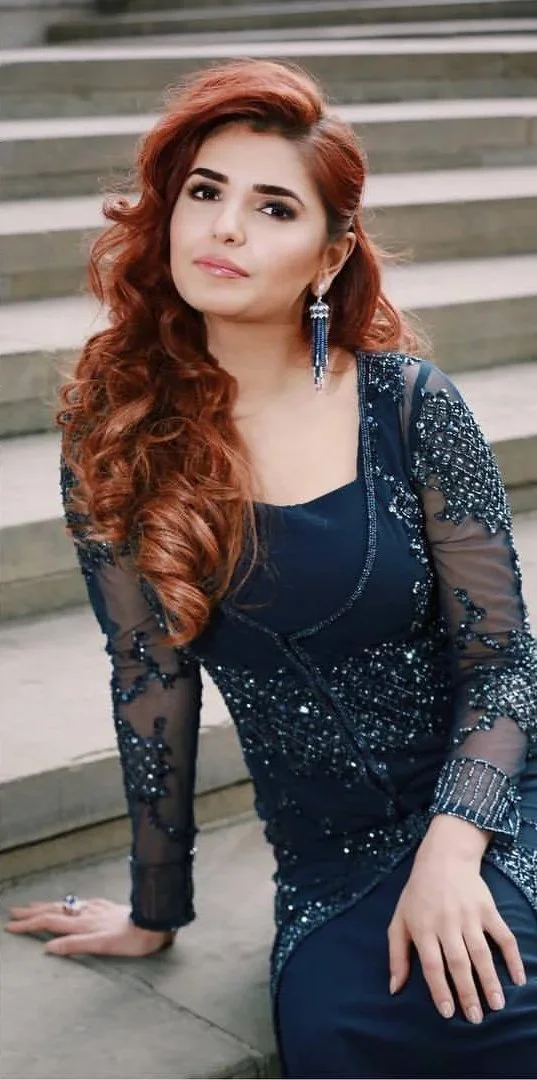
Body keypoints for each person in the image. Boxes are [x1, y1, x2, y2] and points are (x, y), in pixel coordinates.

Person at [5, 58, 537, 1079]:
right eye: (205, 191)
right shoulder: (114, 436)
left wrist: (455, 843)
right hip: (336, 864)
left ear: (329, 256)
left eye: (272, 205)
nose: (225, 228)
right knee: (369, 1037)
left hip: (495, 799)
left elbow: (505, 663)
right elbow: (149, 682)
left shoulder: (409, 404)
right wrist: (156, 911)